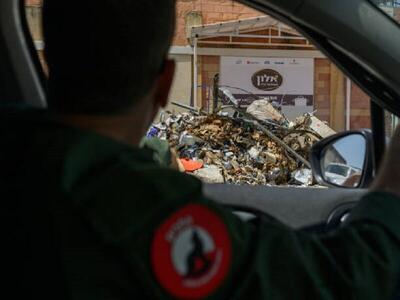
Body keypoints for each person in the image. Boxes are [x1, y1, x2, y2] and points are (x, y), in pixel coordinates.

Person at [2, 0, 400, 299]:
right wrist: (391, 188)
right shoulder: (131, 205)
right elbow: (345, 280)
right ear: (164, 83)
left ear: (50, 58)